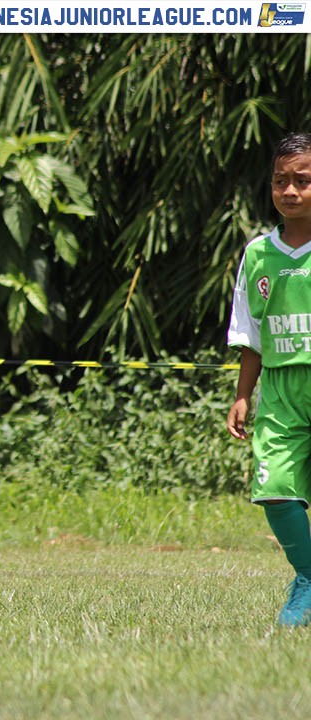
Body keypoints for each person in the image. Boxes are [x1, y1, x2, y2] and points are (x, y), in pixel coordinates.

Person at [228, 132, 311, 627]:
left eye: (302, 180)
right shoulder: (258, 254)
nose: (291, 191)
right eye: (281, 181)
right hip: (279, 389)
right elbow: (250, 332)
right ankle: (307, 577)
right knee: (274, 487)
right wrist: (242, 395)